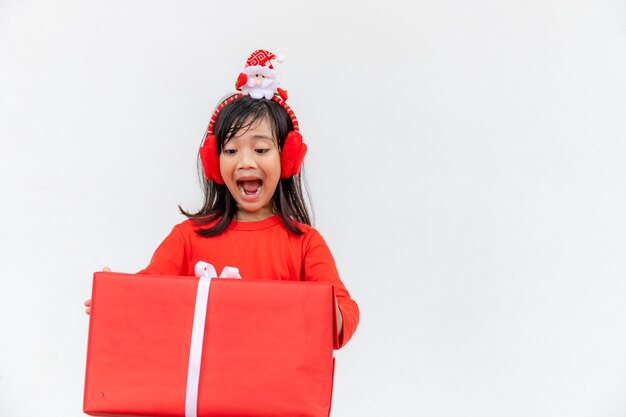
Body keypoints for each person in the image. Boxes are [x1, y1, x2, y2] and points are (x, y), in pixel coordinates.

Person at [85, 49, 359, 348]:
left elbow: (344, 316)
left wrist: (327, 313)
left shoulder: (306, 244)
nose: (244, 162)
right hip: (202, 392)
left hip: (275, 391)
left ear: (288, 159)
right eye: (230, 151)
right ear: (214, 163)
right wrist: (116, 296)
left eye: (261, 149)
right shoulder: (188, 238)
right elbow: (149, 293)